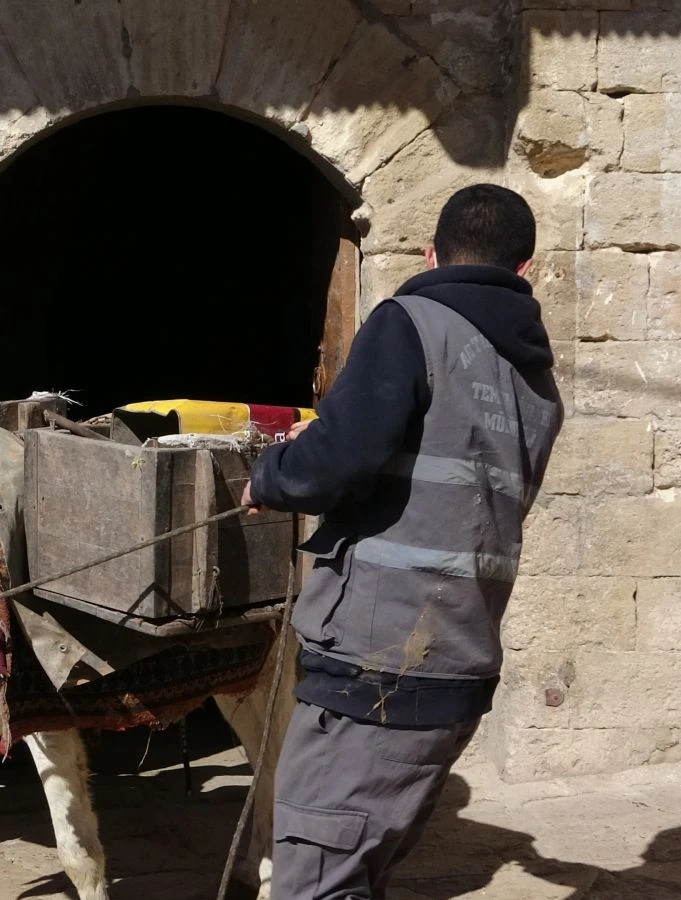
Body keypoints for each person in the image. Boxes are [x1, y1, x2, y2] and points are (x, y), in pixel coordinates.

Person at [242, 184, 564, 900]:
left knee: (315, 885)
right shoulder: (538, 381)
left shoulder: (409, 322)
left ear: (431, 254)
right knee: (361, 875)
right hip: (458, 661)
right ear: (527, 270)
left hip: (373, 661)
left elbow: (339, 463)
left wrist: (273, 475)